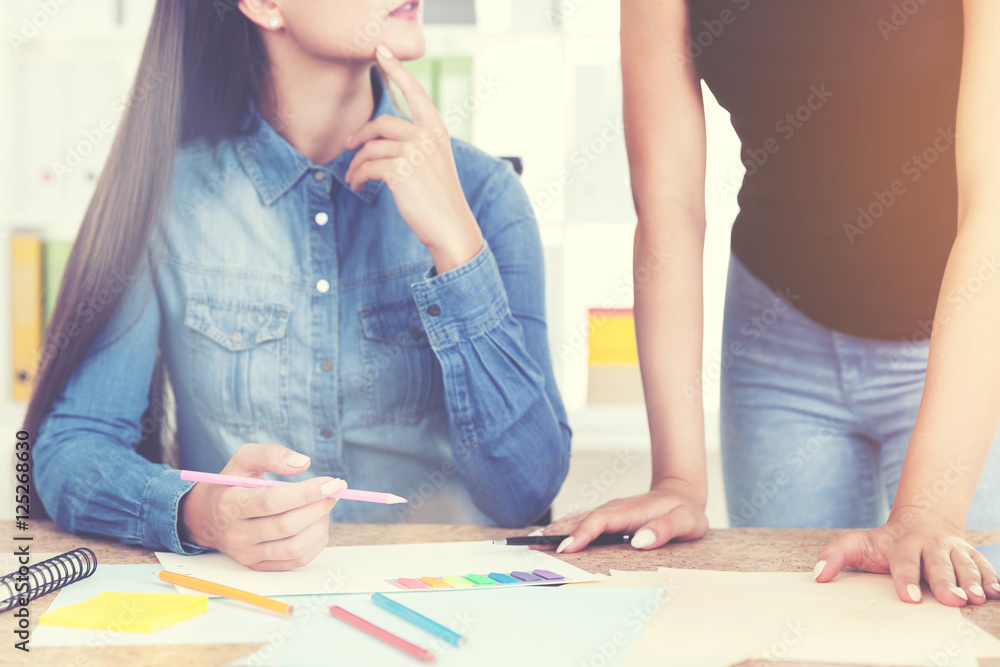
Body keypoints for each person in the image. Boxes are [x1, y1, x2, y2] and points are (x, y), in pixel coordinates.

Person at [25, 0, 570, 571]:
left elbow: (526, 491)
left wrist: (458, 250)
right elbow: (72, 449)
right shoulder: (166, 199)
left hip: (452, 606)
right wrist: (199, 511)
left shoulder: (486, 195)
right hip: (252, 609)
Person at [547, 0, 1000, 606]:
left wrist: (927, 510)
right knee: (796, 616)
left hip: (962, 344)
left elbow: (992, 211)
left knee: (951, 617)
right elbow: (669, 212)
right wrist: (678, 479)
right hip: (779, 336)